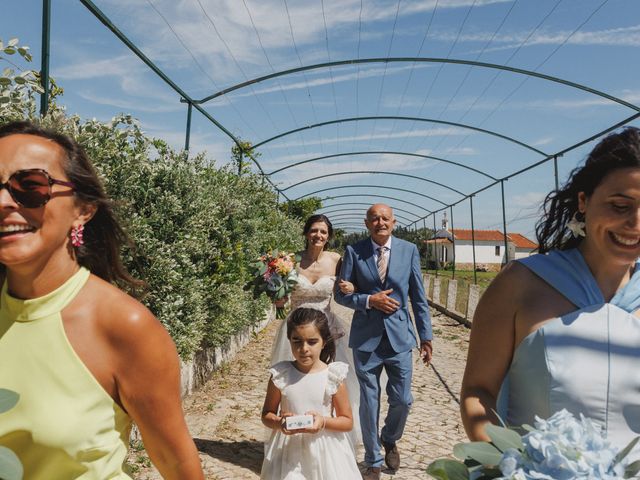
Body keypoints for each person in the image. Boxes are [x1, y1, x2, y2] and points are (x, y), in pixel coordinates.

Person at [0, 121, 204, 479]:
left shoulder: (123, 327)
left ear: (83, 209)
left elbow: (175, 463)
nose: (3, 201)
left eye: (30, 186)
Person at [460, 127, 640, 454]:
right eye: (620, 205)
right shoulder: (520, 284)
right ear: (584, 201)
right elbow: (478, 391)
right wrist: (508, 463)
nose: (636, 223)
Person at [335, 203, 433, 480]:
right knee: (369, 400)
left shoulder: (409, 250)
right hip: (366, 338)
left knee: (402, 399)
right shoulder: (354, 252)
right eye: (374, 219)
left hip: (400, 337)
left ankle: (389, 437)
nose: (380, 223)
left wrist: (426, 337)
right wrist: (368, 300)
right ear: (367, 224)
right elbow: (341, 295)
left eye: (385, 218)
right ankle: (373, 460)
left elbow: (418, 297)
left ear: (394, 222)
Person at [270, 213, 361, 447]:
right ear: (306, 233)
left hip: (326, 329)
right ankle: (292, 426)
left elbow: (350, 284)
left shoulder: (336, 260)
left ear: (328, 236)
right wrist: (278, 300)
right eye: (314, 230)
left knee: (329, 379)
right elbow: (278, 290)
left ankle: (328, 433)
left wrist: (352, 286)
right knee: (292, 378)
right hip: (296, 327)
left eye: (323, 231)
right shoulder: (289, 260)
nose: (318, 235)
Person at [261, 307, 362, 479]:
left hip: (326, 451)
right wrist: (279, 422)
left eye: (312, 341)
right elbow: (266, 414)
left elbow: (347, 421)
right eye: (297, 341)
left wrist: (322, 421)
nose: (304, 348)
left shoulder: (333, 376)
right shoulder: (281, 375)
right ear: (289, 340)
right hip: (289, 452)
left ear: (323, 342)